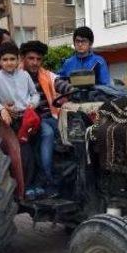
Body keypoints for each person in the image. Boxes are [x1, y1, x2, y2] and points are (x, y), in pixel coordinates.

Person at [0, 42, 42, 198]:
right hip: (14, 120)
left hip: (29, 117)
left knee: (42, 145)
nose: (9, 63)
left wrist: (33, 103)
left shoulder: (24, 75)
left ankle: (42, 182)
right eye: (5, 59)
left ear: (18, 60)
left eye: (12, 59)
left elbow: (35, 94)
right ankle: (27, 187)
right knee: (25, 152)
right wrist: (2, 109)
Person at [20, 40, 72, 196]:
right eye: (31, 58)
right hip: (29, 120)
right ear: (23, 58)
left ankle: (69, 178)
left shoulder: (46, 75)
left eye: (38, 59)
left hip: (50, 117)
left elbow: (60, 83)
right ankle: (47, 180)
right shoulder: (16, 76)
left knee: (76, 132)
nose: (35, 62)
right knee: (47, 133)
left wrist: (71, 90)